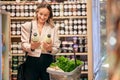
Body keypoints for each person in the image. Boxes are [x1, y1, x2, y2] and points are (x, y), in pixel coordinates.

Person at [21, 2, 61, 80]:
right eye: (40, 14)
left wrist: (50, 49)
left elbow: (56, 48)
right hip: (31, 61)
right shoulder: (27, 26)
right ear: (37, 12)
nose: (42, 17)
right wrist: (31, 47)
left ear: (49, 15)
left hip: (47, 61)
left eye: (45, 15)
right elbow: (23, 44)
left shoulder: (53, 28)